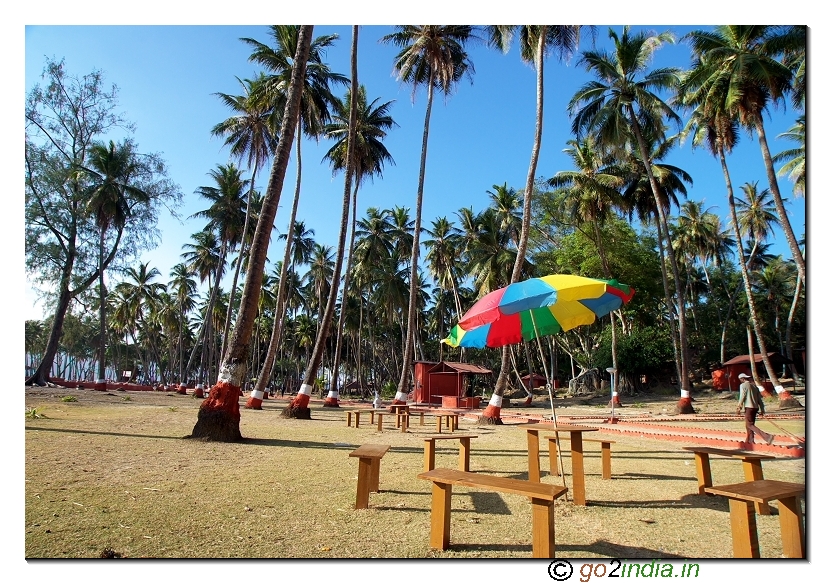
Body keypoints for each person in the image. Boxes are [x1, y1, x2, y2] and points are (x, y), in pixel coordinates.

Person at [736, 372, 774, 445]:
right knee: (750, 424)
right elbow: (759, 400)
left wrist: (739, 408)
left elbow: (742, 397)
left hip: (749, 408)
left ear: (742, 379)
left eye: (740, 379)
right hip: (755, 408)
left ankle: (767, 437)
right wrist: (762, 410)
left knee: (749, 425)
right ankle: (750, 441)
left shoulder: (743, 385)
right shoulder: (754, 386)